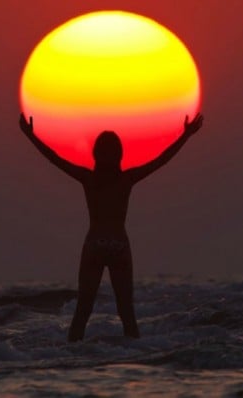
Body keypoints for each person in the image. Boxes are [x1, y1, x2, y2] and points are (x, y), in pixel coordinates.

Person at [19, 111, 204, 341]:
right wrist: (185, 136)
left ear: (96, 153)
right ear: (119, 154)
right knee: (127, 314)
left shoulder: (89, 178)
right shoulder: (126, 179)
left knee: (83, 312)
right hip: (119, 245)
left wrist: (31, 136)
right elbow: (161, 160)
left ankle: (71, 362)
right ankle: (134, 363)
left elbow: (54, 158)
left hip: (95, 244)